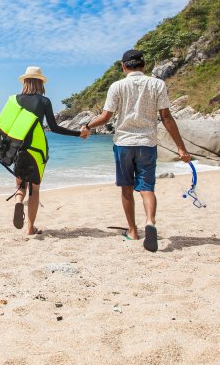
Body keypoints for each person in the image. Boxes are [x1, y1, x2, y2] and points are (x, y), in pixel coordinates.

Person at [80, 50, 191, 252]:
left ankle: (132, 231)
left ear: (124, 66)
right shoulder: (157, 84)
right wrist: (181, 148)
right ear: (144, 65)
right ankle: (150, 221)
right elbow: (166, 117)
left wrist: (88, 126)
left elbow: (106, 117)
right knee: (147, 187)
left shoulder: (117, 86)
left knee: (126, 188)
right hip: (147, 144)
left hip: (124, 143)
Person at [6, 66, 88, 235]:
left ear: (25, 81)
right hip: (37, 150)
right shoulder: (44, 101)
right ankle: (30, 228)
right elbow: (54, 127)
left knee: (20, 185)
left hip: (18, 148)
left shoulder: (14, 100)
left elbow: (7, 126)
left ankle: (18, 203)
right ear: (40, 82)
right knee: (35, 190)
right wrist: (78, 133)